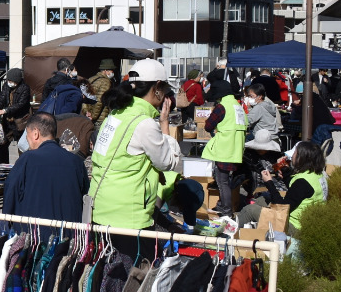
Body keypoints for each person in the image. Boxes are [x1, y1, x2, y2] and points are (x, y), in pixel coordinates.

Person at [89, 58, 187, 257]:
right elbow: (168, 162)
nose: (167, 94)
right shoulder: (144, 123)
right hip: (129, 215)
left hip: (100, 207)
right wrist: (165, 125)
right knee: (134, 277)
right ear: (157, 87)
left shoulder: (116, 114)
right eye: (166, 88)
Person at [2, 112, 89, 231]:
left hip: (33, 236)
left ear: (35, 133)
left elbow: (11, 192)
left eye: (27, 134)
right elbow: (85, 196)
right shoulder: (76, 161)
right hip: (70, 237)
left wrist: (6, 224)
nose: (27, 139)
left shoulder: (27, 159)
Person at [237, 140, 327, 250]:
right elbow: (297, 192)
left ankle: (228, 234)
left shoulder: (303, 182)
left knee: (249, 210)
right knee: (262, 200)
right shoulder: (317, 175)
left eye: (295, 153)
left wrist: (269, 183)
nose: (292, 156)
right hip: (307, 223)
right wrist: (285, 172)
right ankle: (255, 232)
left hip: (295, 227)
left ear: (301, 158)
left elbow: (282, 208)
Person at [202, 78, 246, 216]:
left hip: (224, 147)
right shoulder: (238, 106)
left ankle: (226, 210)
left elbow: (209, 125)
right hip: (236, 148)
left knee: (222, 181)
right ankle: (221, 204)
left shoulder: (222, 107)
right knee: (226, 179)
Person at [0, 67, 30, 163]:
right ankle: (3, 164)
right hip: (8, 120)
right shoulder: (6, 86)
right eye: (8, 80)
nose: (9, 82)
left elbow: (20, 104)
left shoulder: (25, 88)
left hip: (20, 120)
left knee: (22, 145)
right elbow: (2, 98)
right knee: (2, 143)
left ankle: (23, 165)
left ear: (16, 80)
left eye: (11, 80)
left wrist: (5, 110)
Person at [85, 58, 118, 123]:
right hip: (99, 118)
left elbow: (84, 97)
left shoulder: (91, 79)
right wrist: (93, 116)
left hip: (88, 115)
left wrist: (86, 112)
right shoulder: (105, 82)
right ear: (105, 70)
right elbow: (100, 101)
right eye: (112, 70)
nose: (113, 72)